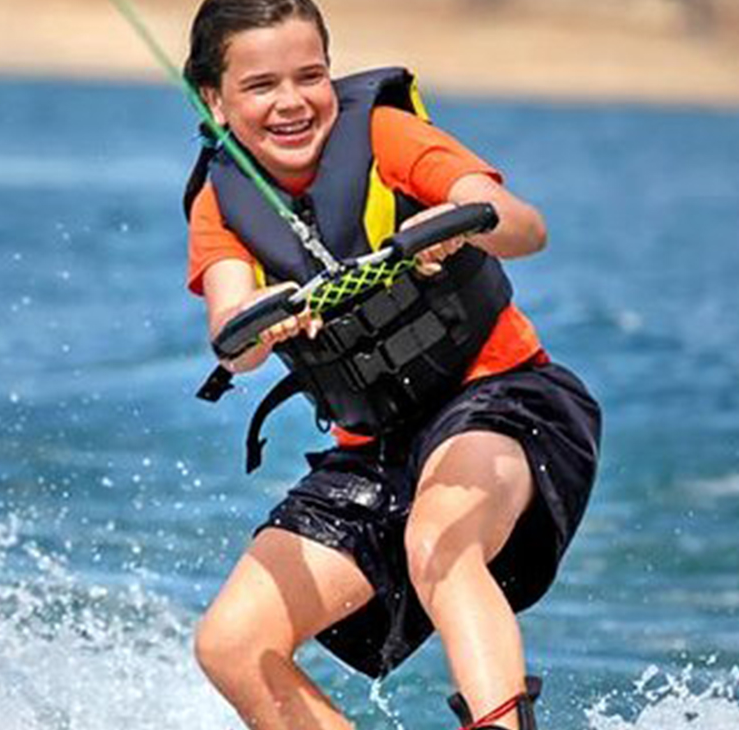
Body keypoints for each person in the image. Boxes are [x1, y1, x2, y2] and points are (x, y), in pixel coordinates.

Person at [180, 1, 600, 728]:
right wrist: (266, 316)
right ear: (213, 98)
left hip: (502, 405)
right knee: (231, 643)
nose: (291, 102)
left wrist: (463, 220)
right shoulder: (221, 207)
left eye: (309, 75)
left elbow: (524, 225)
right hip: (375, 453)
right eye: (260, 86)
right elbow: (232, 336)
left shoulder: (381, 134)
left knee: (439, 536)